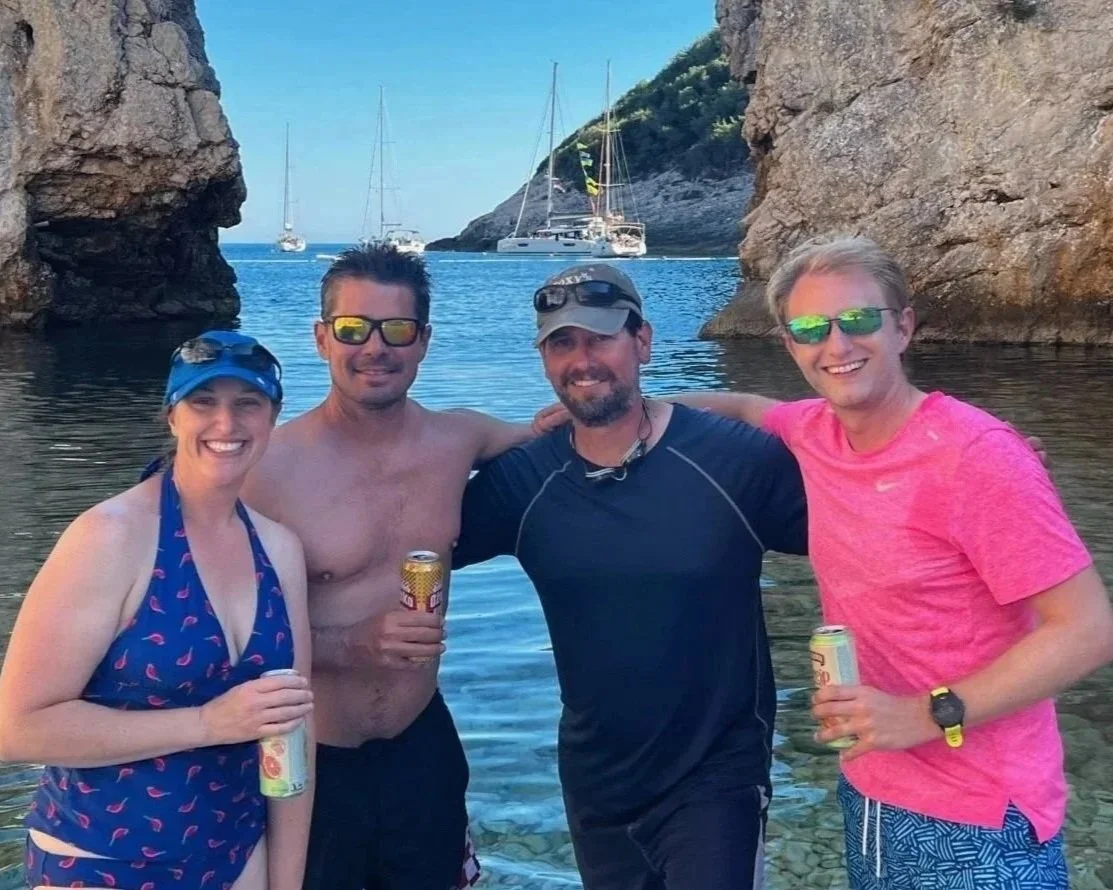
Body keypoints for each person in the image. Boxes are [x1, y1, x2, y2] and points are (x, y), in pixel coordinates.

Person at [671, 236, 1113, 889]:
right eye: (809, 329)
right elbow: (740, 408)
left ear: (902, 326)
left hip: (980, 819)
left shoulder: (976, 455)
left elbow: (1087, 629)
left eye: (857, 320)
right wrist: (613, 420)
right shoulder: (813, 430)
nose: (836, 345)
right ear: (788, 345)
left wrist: (925, 713)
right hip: (873, 787)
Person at [451, 263, 809, 890]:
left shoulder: (733, 461)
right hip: (596, 783)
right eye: (562, 343)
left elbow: (869, 524)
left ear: (642, 342)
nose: (582, 359)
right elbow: (400, 542)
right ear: (543, 359)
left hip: (716, 777)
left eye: (600, 338)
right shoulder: (523, 483)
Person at [240, 244, 554, 890]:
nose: (374, 348)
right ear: (322, 338)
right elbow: (224, 637)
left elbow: (593, 428)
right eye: (353, 330)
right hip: (310, 756)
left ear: (424, 341)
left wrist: (750, 417)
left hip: (420, 741)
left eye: (397, 330)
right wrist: (350, 643)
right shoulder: (266, 469)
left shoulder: (459, 440)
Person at [0, 330, 316, 890]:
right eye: (203, 402)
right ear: (172, 416)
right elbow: (16, 729)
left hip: (238, 854)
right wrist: (208, 724)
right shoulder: (110, 537)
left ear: (273, 419)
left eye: (247, 403)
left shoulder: (280, 549)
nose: (226, 423)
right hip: (100, 860)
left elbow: (292, 730)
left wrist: (287, 881)